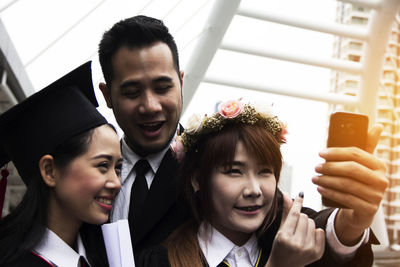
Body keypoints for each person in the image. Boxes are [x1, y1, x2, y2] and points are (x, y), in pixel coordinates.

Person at [136, 99, 388, 267]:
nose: (254, 190)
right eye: (234, 171)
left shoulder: (296, 246)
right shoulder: (161, 261)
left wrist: (353, 223)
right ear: (197, 180)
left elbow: (333, 233)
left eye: (265, 172)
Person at [0, 61, 123, 266]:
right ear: (49, 171)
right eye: (102, 165)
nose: (117, 183)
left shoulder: (108, 257)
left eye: (118, 168)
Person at [98, 15, 190, 254]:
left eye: (162, 88)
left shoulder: (211, 168)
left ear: (181, 83)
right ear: (107, 95)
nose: (150, 106)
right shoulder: (88, 180)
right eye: (131, 92)